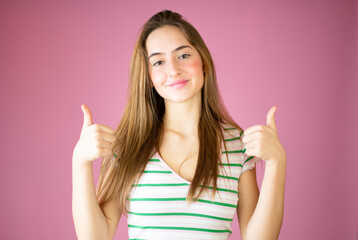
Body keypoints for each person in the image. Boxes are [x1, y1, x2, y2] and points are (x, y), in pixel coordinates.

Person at [72, 9, 286, 240]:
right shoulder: (126, 146)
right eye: (159, 62)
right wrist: (80, 162)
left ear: (203, 61)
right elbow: (95, 237)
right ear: (149, 78)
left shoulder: (237, 144)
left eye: (183, 55)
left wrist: (277, 162)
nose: (173, 70)